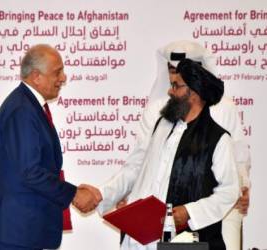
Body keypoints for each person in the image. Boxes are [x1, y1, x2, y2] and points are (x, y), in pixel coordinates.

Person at [96, 57, 239, 250]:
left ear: (194, 94)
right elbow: (138, 169)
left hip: (184, 240)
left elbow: (229, 191)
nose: (170, 91)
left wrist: (189, 212)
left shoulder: (218, 139)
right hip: (141, 238)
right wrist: (121, 200)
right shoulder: (161, 126)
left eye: (176, 86)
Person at [0, 44, 101, 250]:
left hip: (20, 229)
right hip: (14, 231)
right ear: (36, 76)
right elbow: (30, 172)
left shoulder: (28, 105)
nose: (63, 78)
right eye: (57, 72)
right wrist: (74, 194)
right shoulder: (22, 110)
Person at [135, 40, 251, 250]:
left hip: (215, 210)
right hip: (167, 216)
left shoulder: (224, 115)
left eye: (178, 79)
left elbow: (238, 155)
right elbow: (143, 163)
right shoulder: (160, 114)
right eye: (171, 70)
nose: (172, 79)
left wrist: (243, 187)